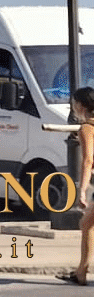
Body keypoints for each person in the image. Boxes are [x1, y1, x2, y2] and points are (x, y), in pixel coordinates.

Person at [59, 86, 94, 286]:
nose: (73, 107)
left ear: (81, 106)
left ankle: (81, 272)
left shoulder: (87, 128)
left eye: (74, 103)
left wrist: (82, 190)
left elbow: (88, 160)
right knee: (87, 224)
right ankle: (81, 271)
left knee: (87, 224)